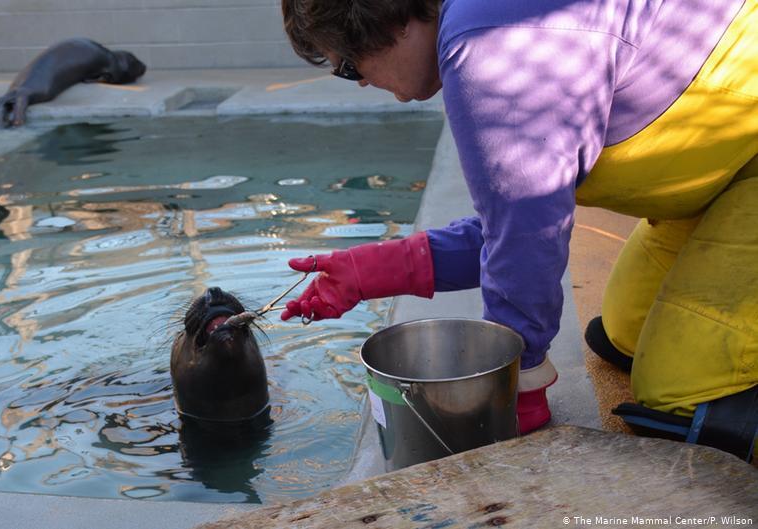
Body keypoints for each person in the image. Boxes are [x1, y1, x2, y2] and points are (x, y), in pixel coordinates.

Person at [279, 0, 758, 458]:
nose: (358, 83)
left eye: (348, 67)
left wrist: (516, 376)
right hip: (716, 177)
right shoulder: (487, 17)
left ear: (387, 21)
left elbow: (525, 239)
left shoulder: (490, 46)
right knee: (619, 337)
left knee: (679, 392)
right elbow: (519, 223)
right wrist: (367, 272)